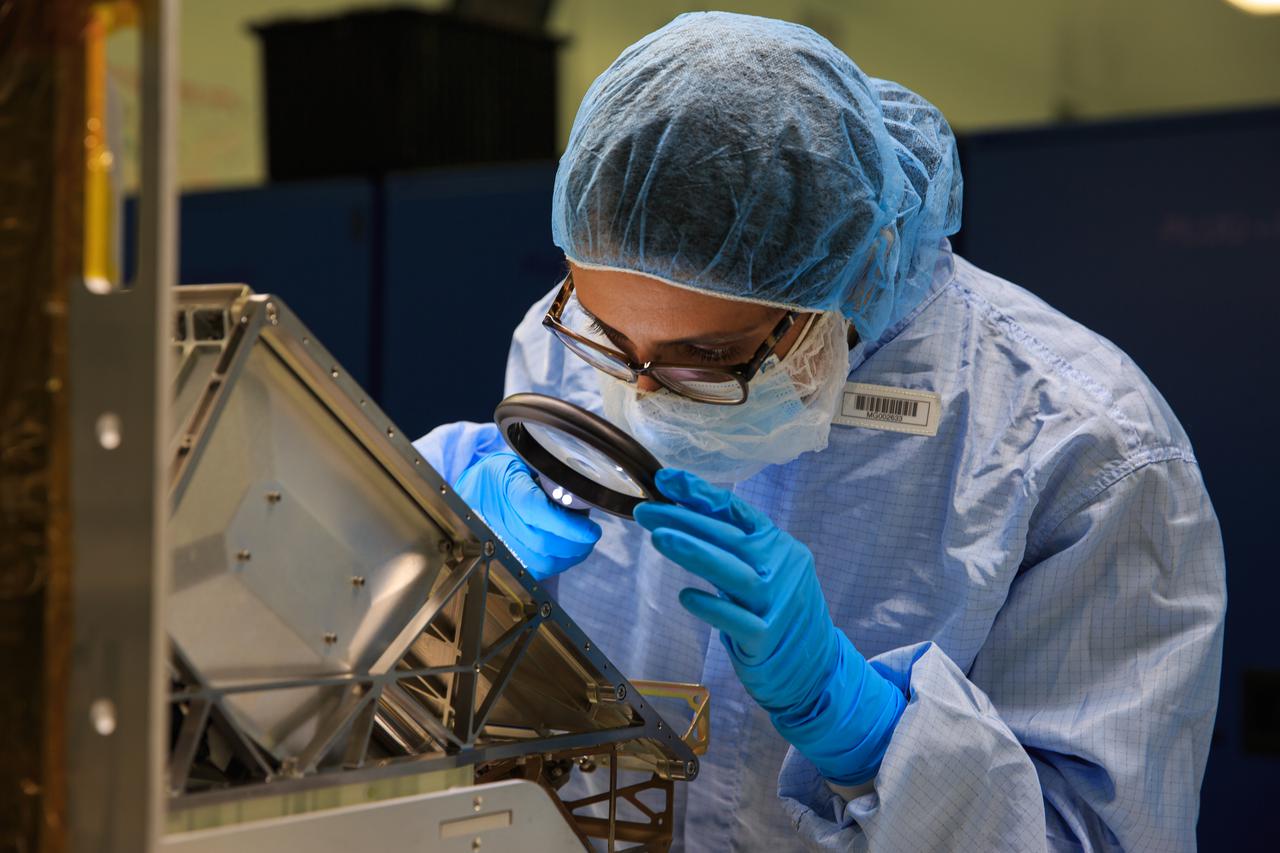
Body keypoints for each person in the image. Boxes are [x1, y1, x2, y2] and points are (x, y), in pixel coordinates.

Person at [416, 12, 1225, 852]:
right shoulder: (569, 351)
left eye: (711, 355)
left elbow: (1101, 837)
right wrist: (453, 590)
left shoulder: (1085, 449)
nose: (644, 392)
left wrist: (868, 735)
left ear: (856, 273)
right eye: (612, 340)